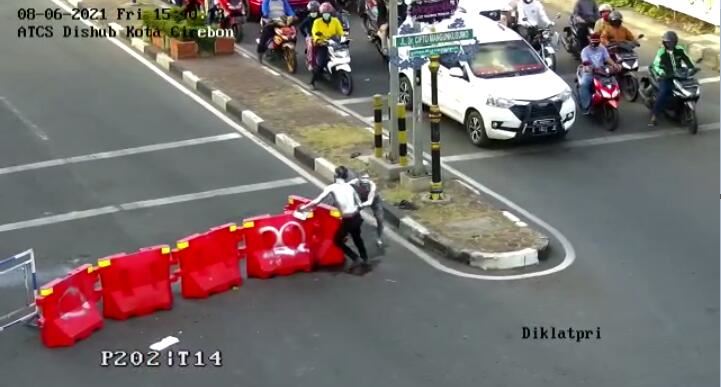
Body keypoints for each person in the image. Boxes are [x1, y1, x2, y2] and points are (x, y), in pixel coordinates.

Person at [298, 166, 370, 273]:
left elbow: (316, 201)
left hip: (348, 219)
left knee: (337, 240)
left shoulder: (331, 187)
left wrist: (303, 208)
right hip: (357, 217)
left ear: (336, 175)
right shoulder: (350, 187)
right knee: (357, 238)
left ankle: (356, 258)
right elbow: (360, 204)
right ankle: (364, 258)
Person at [648, 31, 696, 126]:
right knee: (664, 92)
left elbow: (688, 60)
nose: (669, 44)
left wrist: (692, 68)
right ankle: (654, 116)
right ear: (664, 43)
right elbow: (656, 65)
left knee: (687, 89)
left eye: (672, 42)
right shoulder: (661, 52)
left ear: (675, 42)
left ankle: (679, 110)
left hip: (679, 75)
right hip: (666, 76)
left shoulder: (680, 50)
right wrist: (661, 72)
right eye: (667, 42)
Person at [578, 32, 618, 114]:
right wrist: (588, 67)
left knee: (611, 82)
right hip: (589, 72)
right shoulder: (585, 51)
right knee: (584, 84)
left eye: (597, 43)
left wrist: (614, 65)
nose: (596, 45)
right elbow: (585, 61)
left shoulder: (602, 48)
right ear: (590, 41)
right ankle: (586, 105)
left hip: (602, 71)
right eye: (594, 43)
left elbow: (607, 58)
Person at [344, 172, 385, 248]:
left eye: (367, 178)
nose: (365, 181)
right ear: (359, 179)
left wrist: (359, 206)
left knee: (380, 219)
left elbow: (369, 202)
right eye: (363, 178)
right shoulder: (354, 182)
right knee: (350, 215)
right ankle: (346, 233)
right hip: (361, 199)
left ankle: (379, 238)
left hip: (374, 201)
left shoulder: (372, 186)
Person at [310, 2, 344, 89]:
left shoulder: (335, 21)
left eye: (328, 13)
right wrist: (318, 40)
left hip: (333, 42)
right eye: (324, 14)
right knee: (320, 63)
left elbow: (340, 31)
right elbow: (315, 33)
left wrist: (343, 38)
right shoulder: (317, 22)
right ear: (321, 14)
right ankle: (313, 82)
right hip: (322, 44)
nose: (326, 15)